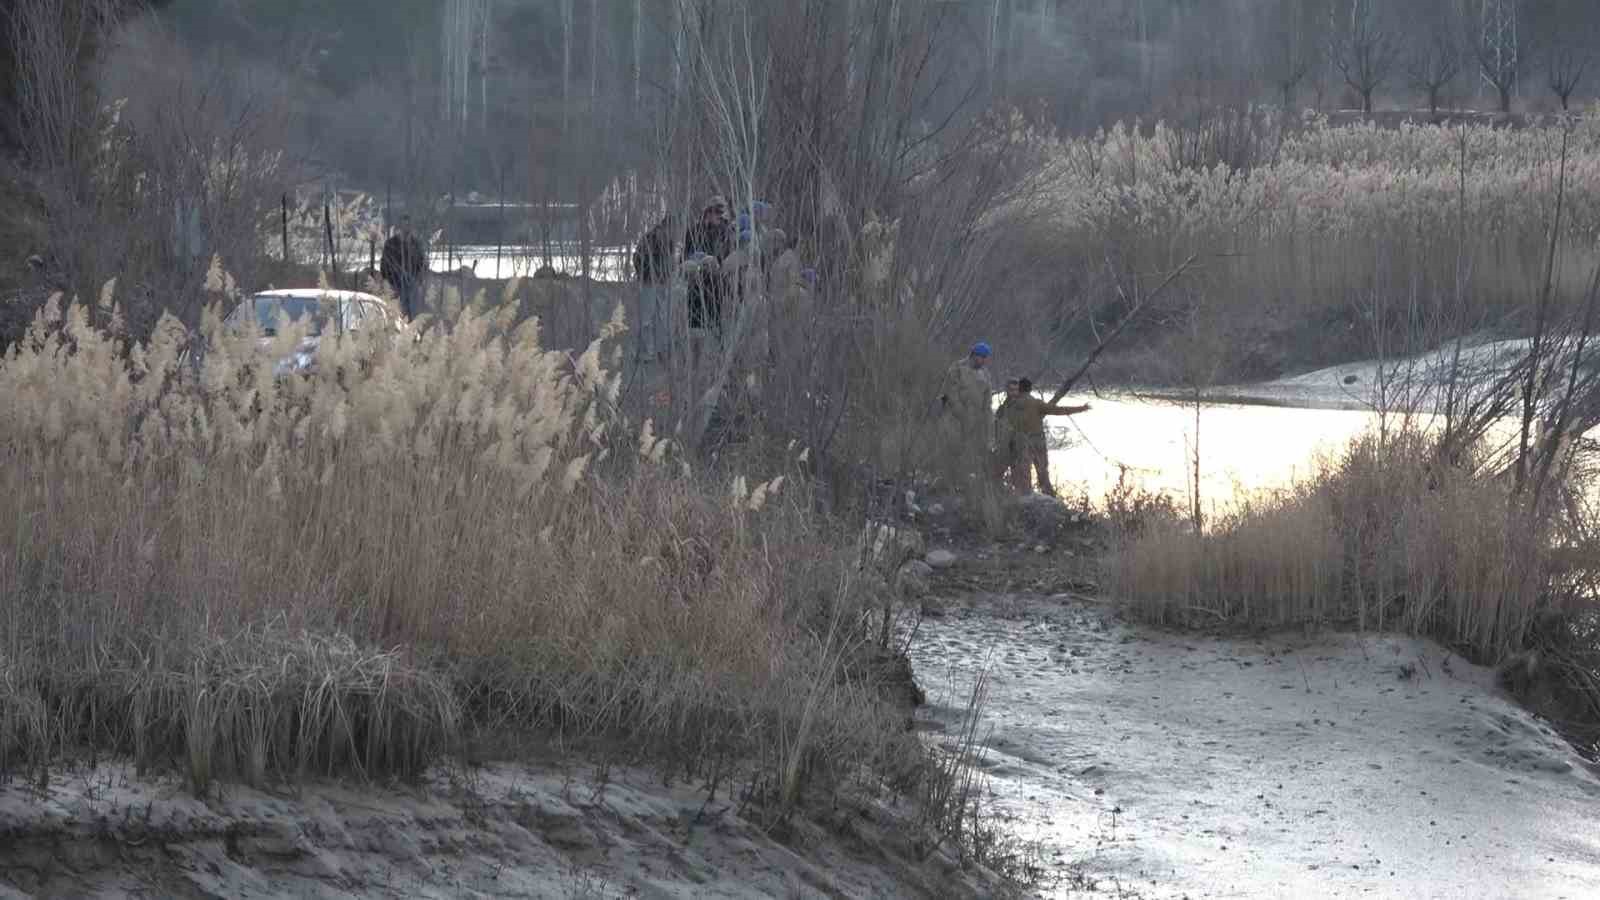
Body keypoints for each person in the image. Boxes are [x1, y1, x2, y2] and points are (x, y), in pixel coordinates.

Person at [996, 376, 1090, 496]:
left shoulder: (1008, 407)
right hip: (1035, 443)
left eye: (1015, 389)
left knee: (1024, 477)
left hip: (1021, 445)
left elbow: (998, 424)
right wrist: (1081, 408)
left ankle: (1028, 498)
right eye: (1011, 390)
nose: (1014, 392)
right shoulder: (1034, 404)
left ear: (1019, 389)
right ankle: (1049, 498)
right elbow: (1058, 410)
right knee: (1042, 475)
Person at [683, 196, 734, 341]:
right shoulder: (694, 231)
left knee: (715, 322)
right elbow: (685, 257)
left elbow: (726, 256)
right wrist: (696, 260)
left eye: (720, 213)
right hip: (696, 283)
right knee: (696, 324)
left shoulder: (724, 232)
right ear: (708, 212)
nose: (719, 216)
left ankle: (715, 353)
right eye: (716, 212)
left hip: (716, 283)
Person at [632, 212, 676, 363]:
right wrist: (645, 275)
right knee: (647, 319)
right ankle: (646, 352)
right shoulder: (649, 239)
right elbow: (637, 258)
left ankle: (659, 351)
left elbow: (670, 263)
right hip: (649, 283)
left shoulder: (668, 241)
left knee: (660, 318)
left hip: (661, 283)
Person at [381, 216, 429, 321]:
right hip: (396, 287)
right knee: (398, 315)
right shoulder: (391, 244)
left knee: (413, 316)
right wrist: (392, 282)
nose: (406, 228)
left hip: (413, 287)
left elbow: (424, 264)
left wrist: (418, 280)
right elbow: (384, 266)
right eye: (404, 225)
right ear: (399, 226)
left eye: (409, 225)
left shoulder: (416, 244)